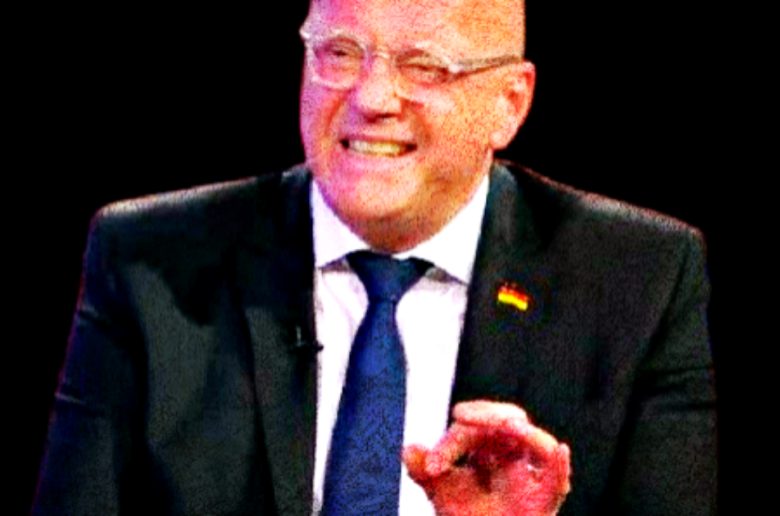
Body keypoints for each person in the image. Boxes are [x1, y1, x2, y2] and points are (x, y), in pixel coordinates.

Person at [32, 0, 716, 514]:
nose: (371, 97)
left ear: (510, 104)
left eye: (424, 66)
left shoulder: (639, 283)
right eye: (339, 53)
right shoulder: (150, 264)